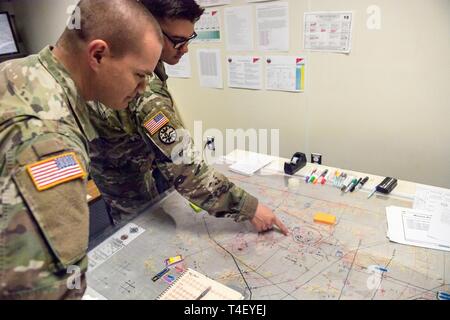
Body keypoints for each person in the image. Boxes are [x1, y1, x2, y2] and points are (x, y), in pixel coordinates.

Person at [0, 0, 162, 299]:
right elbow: (45, 290)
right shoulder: (51, 142)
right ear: (98, 54)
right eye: (139, 75)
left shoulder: (18, 71)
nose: (142, 89)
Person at [87, 0, 289, 235]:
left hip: (142, 182)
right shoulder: (146, 92)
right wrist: (250, 208)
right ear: (147, 30)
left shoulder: (139, 70)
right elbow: (186, 168)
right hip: (135, 202)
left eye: (189, 39)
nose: (185, 49)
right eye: (178, 41)